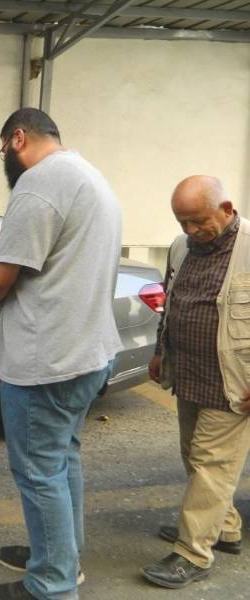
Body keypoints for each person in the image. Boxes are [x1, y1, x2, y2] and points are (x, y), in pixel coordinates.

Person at [0, 109, 122, 600]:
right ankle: (63, 556)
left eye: (4, 149)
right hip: (88, 351)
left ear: (18, 138)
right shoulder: (88, 176)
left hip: (48, 360)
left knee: (39, 472)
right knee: (61, 459)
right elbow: (40, 261)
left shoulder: (38, 182)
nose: (5, 158)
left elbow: (4, 278)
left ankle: (52, 584)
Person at [141, 176, 250, 589]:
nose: (190, 230)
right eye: (182, 221)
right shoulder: (180, 246)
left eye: (198, 220)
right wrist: (159, 351)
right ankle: (223, 527)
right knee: (194, 455)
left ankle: (193, 553)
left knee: (211, 464)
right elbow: (170, 302)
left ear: (227, 209)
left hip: (235, 381)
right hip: (188, 372)